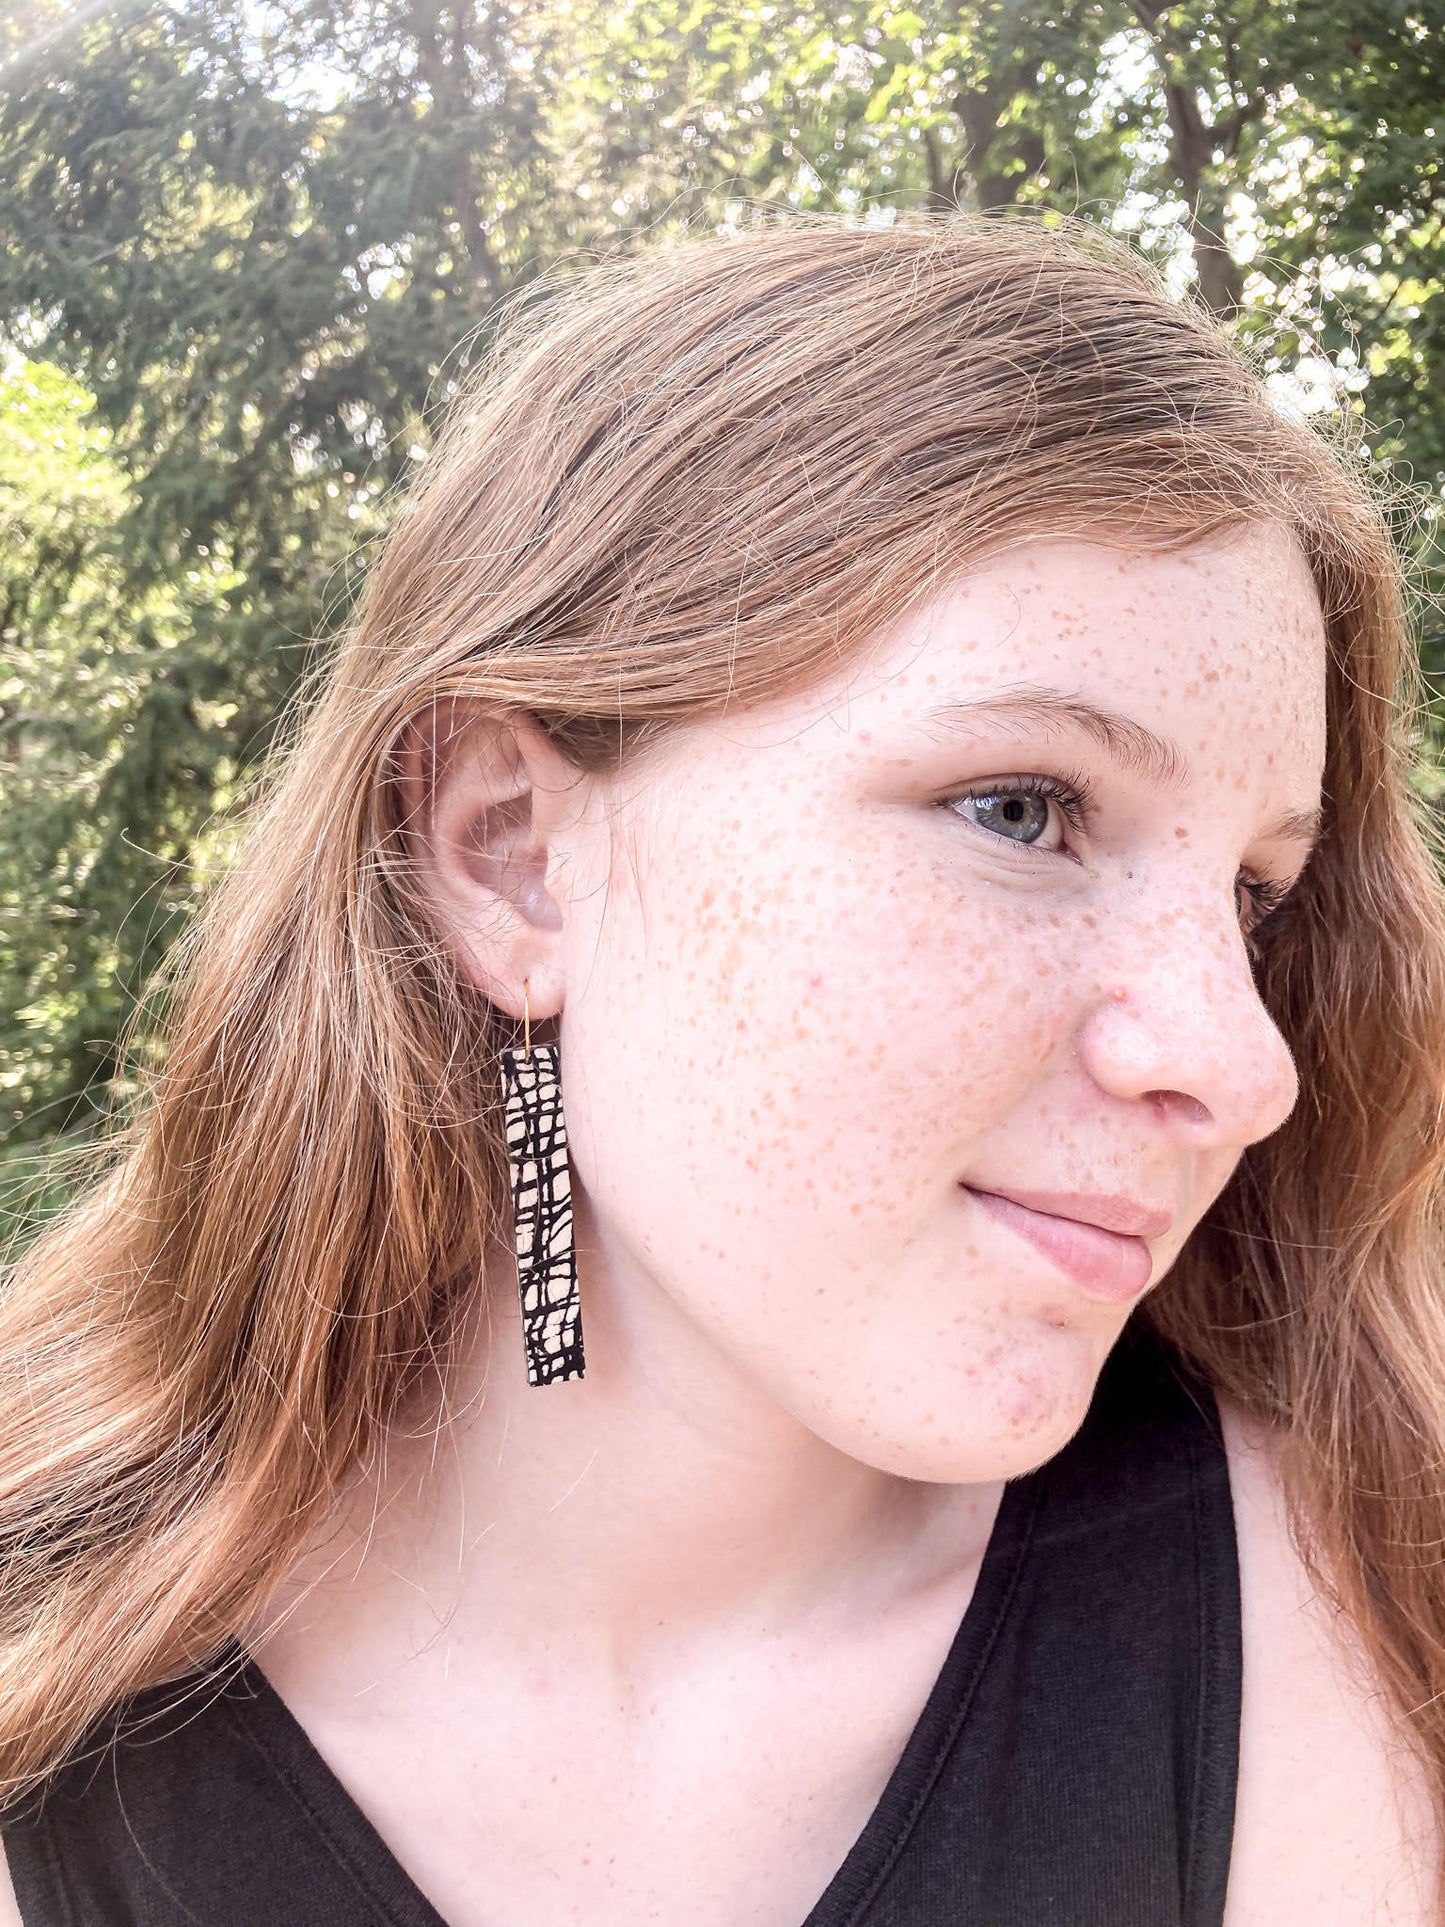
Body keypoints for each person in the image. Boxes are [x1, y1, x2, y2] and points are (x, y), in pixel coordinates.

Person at [2, 214, 1443, 1926]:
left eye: (1252, 895)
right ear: (512, 853)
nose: (1235, 1056)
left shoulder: (1344, 1619)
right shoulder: (50, 1677)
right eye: (1021, 810)